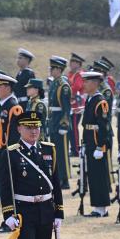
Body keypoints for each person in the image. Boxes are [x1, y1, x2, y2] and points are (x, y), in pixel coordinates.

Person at [0, 111, 63, 239]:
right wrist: (8, 213)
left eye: (36, 127)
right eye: (28, 127)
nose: (34, 131)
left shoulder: (49, 150)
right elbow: (6, 187)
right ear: (19, 129)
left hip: (45, 210)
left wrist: (59, 213)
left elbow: (56, 183)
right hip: (24, 212)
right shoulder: (11, 153)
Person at [81, 71, 111, 217]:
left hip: (97, 143)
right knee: (93, 175)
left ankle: (102, 208)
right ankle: (97, 206)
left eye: (87, 82)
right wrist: (84, 143)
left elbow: (104, 127)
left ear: (94, 83)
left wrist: (100, 146)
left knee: (99, 175)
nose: (84, 84)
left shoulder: (100, 101)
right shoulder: (90, 99)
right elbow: (86, 124)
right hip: (90, 142)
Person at [0, 71, 23, 232]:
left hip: (8, 152)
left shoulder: (14, 106)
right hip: (0, 151)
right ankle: (7, 219)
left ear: (7, 87)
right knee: (3, 188)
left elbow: (15, 134)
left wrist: (11, 153)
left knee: (10, 187)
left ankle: (11, 219)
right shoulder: (1, 105)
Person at [47, 56, 72, 190]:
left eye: (52, 68)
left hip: (60, 123)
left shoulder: (63, 85)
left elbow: (67, 108)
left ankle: (65, 179)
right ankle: (58, 177)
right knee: (55, 152)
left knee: (62, 153)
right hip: (53, 121)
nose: (50, 70)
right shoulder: (54, 83)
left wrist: (64, 124)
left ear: (58, 69)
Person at [67, 53, 86, 157]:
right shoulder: (71, 74)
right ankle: (73, 148)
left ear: (78, 64)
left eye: (73, 62)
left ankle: (76, 149)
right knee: (71, 128)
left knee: (73, 128)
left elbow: (76, 87)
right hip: (71, 104)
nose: (70, 64)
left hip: (76, 105)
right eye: (71, 62)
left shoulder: (79, 74)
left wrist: (67, 91)